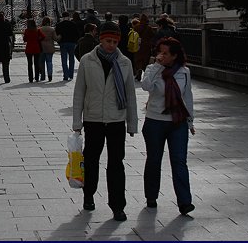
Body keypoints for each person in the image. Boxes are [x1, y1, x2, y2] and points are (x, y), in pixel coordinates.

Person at [72, 21, 138, 222]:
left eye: (115, 42)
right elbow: (79, 92)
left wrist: (132, 123)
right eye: (108, 41)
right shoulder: (87, 60)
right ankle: (89, 194)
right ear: (100, 39)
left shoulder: (125, 62)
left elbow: (130, 94)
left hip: (116, 119)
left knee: (116, 162)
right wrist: (77, 122)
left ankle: (118, 206)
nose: (111, 45)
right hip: (93, 119)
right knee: (91, 160)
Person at [140, 36, 196, 215]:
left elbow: (187, 96)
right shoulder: (152, 69)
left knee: (179, 161)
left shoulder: (184, 72)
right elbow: (146, 86)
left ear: (174, 56)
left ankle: (185, 202)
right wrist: (157, 66)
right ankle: (151, 196)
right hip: (155, 121)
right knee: (154, 160)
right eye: (159, 52)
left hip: (177, 122)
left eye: (165, 53)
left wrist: (190, 120)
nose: (161, 56)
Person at [55, 11, 80, 81]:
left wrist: (59, 42)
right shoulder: (73, 24)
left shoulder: (59, 25)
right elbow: (77, 34)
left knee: (64, 59)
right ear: (68, 17)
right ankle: (71, 75)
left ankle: (65, 75)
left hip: (63, 43)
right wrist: (75, 42)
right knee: (72, 59)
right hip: (72, 43)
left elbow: (57, 36)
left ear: (62, 17)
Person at [39, 16, 57, 82]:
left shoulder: (40, 29)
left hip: (42, 48)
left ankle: (43, 76)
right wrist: (60, 36)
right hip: (50, 48)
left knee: (42, 62)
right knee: (49, 62)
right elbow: (55, 38)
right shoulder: (52, 29)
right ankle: (50, 76)